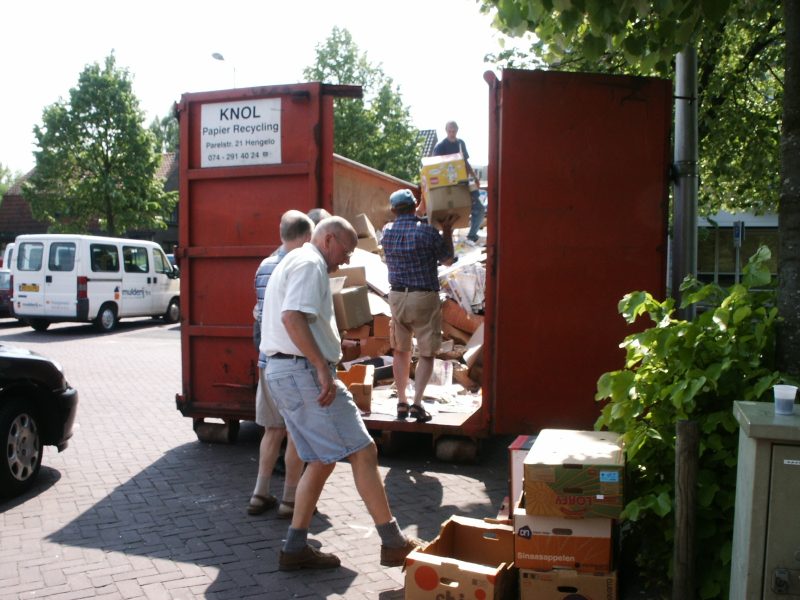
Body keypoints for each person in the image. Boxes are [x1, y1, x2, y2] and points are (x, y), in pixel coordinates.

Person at [261, 216, 424, 571]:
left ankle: (294, 548)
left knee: (321, 459)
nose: (347, 260)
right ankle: (393, 541)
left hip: (284, 371)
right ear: (328, 240)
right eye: (347, 251)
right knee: (364, 450)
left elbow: (292, 319)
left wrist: (328, 347)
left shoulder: (293, 259)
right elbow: (292, 318)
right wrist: (321, 366)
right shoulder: (310, 263)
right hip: (302, 372)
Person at [247, 210, 314, 517]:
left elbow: (259, 314)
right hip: (292, 363)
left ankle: (260, 494)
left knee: (271, 430)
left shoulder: (263, 266)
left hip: (266, 360)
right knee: (296, 432)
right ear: (306, 236)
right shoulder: (301, 267)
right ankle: (289, 499)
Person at [380, 189, 456, 422]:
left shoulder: (387, 232)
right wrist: (447, 232)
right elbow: (447, 259)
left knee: (401, 351)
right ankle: (417, 404)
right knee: (426, 352)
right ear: (415, 206)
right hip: (423, 297)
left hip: (397, 298)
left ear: (393, 210)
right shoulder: (428, 232)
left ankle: (401, 402)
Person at [433, 120, 485, 245]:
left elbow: (465, 163)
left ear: (457, 130)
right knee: (448, 211)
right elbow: (435, 167)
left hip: (465, 182)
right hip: (448, 186)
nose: (452, 133)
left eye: (454, 131)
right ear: (446, 131)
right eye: (450, 131)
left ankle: (472, 235)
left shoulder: (461, 143)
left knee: (479, 208)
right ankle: (444, 238)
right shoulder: (440, 147)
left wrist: (474, 177)